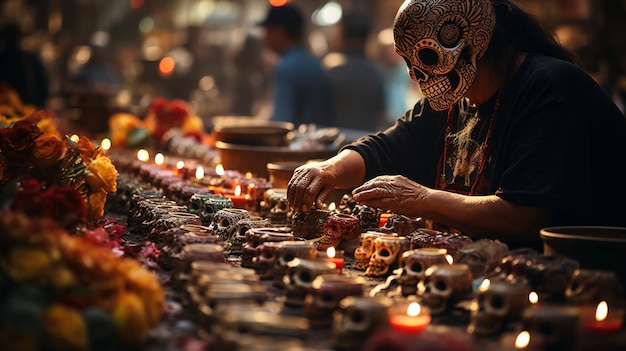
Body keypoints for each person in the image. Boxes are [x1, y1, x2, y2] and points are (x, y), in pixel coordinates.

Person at [287, 0, 626, 250]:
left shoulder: (549, 89)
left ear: (476, 41)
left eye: (427, 57)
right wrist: (328, 169)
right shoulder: (455, 93)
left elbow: (524, 216)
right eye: (407, 61)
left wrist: (421, 198)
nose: (416, 75)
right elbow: (387, 147)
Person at [258, 4, 333, 126]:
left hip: (296, 141)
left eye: (268, 30)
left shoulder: (286, 67)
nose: (264, 37)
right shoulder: (313, 63)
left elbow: (281, 123)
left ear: (279, 32)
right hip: (315, 140)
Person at [326, 12, 386, 132]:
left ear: (343, 36)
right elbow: (381, 112)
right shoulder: (376, 74)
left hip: (338, 143)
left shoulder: (333, 72)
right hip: (367, 142)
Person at [0, 23, 48, 107]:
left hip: (25, 107)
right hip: (13, 108)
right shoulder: (28, 59)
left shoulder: (28, 59)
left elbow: (41, 84)